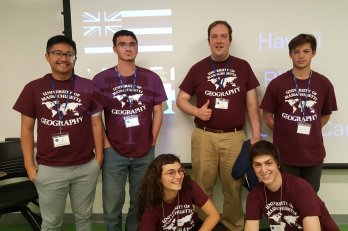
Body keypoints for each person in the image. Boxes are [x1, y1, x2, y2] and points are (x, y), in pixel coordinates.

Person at [13, 35, 104, 231]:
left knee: (84, 220)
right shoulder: (33, 88)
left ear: (75, 58)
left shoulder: (88, 86)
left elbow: (97, 124)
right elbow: (26, 130)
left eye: (69, 54)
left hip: (85, 166)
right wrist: (30, 166)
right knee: (52, 224)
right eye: (57, 53)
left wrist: (98, 160)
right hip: (50, 168)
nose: (64, 58)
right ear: (47, 57)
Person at [176, 20, 261, 230]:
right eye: (214, 36)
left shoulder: (243, 66)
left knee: (233, 187)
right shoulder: (198, 68)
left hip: (235, 137)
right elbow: (180, 100)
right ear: (209, 41)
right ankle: (202, 225)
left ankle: (233, 225)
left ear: (230, 40)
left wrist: (257, 137)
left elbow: (252, 105)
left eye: (223, 36)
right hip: (204, 136)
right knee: (202, 185)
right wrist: (197, 111)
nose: (219, 40)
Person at [92, 30, 167, 231]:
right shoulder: (101, 79)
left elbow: (159, 111)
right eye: (122, 44)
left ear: (137, 48)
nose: (128, 48)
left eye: (132, 44)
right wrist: (106, 145)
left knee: (139, 203)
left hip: (144, 152)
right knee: (111, 205)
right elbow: (95, 118)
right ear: (114, 48)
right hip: (114, 151)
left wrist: (152, 141)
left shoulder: (151, 78)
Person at [260, 34, 337, 192]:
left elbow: (326, 114)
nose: (301, 56)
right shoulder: (277, 84)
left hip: (313, 156)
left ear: (313, 53)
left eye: (306, 51)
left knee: (309, 200)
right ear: (290, 55)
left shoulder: (324, 83)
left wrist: (313, 128)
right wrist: (285, 132)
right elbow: (267, 117)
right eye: (296, 52)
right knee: (286, 199)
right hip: (285, 156)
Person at [245, 140, 339, 231]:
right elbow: (251, 226)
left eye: (268, 163)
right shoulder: (255, 195)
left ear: (278, 164)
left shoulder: (301, 188)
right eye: (257, 165)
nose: (264, 170)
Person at [138, 154, 222, 231]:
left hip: (193, 228)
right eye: (171, 173)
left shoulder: (188, 184)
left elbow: (214, 215)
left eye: (180, 171)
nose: (178, 176)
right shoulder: (150, 205)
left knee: (219, 228)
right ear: (158, 178)